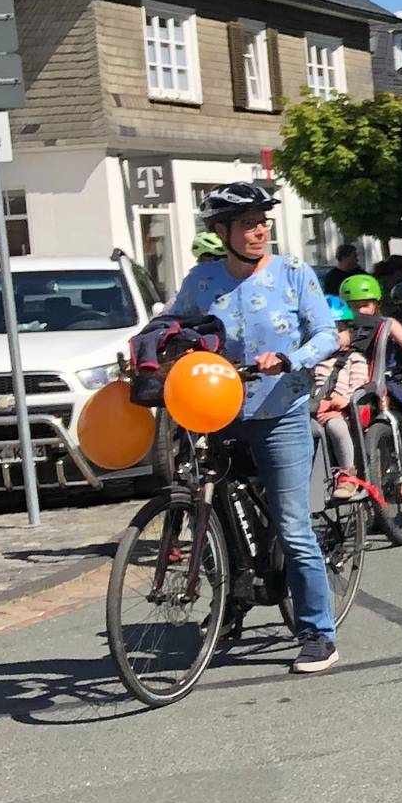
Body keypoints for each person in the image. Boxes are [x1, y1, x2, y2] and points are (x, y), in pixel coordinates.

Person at [168, 181, 342, 673]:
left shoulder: (292, 273)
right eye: (247, 223)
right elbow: (172, 325)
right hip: (216, 414)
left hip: (280, 411)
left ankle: (317, 635)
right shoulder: (202, 280)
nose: (259, 230)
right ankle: (229, 603)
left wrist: (291, 358)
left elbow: (326, 332)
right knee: (212, 511)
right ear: (222, 232)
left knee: (291, 525)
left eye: (263, 221)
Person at [311, 296, 371, 498]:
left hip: (341, 410)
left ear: (351, 332)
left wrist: (345, 400)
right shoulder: (311, 361)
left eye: (339, 330)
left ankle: (347, 475)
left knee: (335, 427)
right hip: (312, 410)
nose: (335, 336)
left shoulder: (354, 358)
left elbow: (360, 384)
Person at [339, 273, 402, 392]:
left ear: (377, 304)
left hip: (385, 380)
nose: (360, 311)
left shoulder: (387, 323)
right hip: (349, 381)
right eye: (352, 307)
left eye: (365, 305)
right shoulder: (341, 326)